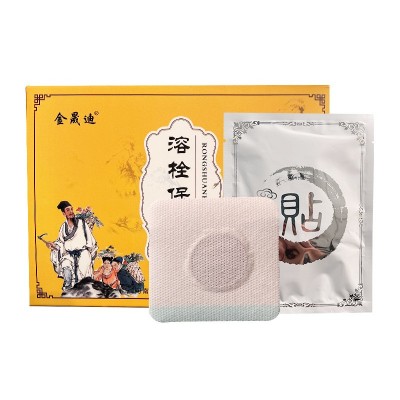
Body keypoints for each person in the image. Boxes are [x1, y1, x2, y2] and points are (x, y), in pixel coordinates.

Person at [48, 201, 98, 291]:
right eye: (68, 210)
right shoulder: (63, 227)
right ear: (64, 213)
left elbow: (90, 239)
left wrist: (91, 251)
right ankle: (67, 290)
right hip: (69, 254)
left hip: (83, 253)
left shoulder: (82, 223)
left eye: (71, 209)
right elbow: (60, 242)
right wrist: (53, 245)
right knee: (65, 265)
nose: (71, 211)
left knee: (83, 278)